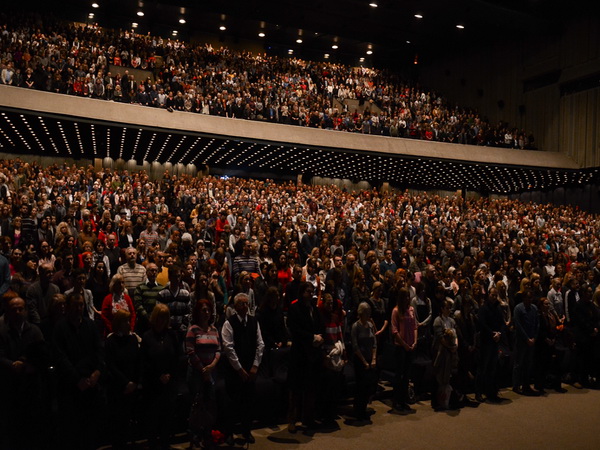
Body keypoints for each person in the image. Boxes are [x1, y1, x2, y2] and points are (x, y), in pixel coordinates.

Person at [53, 292, 104, 450]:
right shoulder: (60, 328)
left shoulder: (90, 325)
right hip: (71, 387)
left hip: (91, 385)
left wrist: (97, 373)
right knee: (72, 433)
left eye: (81, 305)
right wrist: (77, 380)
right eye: (75, 305)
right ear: (67, 307)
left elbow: (99, 352)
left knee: (90, 432)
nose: (78, 308)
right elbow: (60, 357)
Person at [0, 296, 48, 450]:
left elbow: (43, 356)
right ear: (7, 312)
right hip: (11, 388)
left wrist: (27, 364)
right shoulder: (2, 332)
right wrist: (13, 364)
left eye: (21, 309)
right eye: (14, 309)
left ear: (26, 311)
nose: (18, 312)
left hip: (32, 388)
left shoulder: (34, 331)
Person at [221, 293, 265, 445]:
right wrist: (239, 369)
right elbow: (228, 348)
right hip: (234, 371)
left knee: (248, 402)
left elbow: (260, 344)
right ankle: (229, 433)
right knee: (232, 403)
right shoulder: (229, 323)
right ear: (235, 306)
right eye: (242, 304)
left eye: (247, 304)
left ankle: (246, 431)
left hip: (250, 370)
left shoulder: (254, 321)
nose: (245, 307)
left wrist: (255, 366)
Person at [141, 303, 180, 450]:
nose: (162, 321)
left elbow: (177, 358)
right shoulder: (147, 336)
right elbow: (144, 362)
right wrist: (158, 376)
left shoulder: (172, 335)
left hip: (169, 384)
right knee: (153, 419)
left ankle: (165, 443)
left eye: (165, 318)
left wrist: (169, 374)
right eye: (160, 318)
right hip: (153, 384)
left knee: (167, 418)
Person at [287, 282, 325, 431]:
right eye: (308, 291)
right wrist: (312, 338)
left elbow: (321, 325)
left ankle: (307, 418)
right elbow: (295, 330)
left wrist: (320, 337)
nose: (311, 294)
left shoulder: (314, 309)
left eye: (313, 291)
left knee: (311, 388)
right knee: (296, 390)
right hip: (299, 353)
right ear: (302, 292)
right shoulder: (294, 308)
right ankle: (292, 420)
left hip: (313, 354)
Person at [186, 299, 221, 449]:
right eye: (203, 310)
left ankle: (207, 434)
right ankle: (195, 435)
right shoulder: (193, 329)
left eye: (208, 310)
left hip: (210, 372)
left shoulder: (214, 329)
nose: (206, 313)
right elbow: (190, 351)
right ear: (198, 313)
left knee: (209, 404)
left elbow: (219, 350)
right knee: (196, 405)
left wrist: (211, 366)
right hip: (196, 373)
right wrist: (203, 369)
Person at [105, 310, 141, 450]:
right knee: (117, 424)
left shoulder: (132, 339)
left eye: (129, 320)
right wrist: (126, 383)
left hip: (131, 387)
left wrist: (134, 382)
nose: (128, 323)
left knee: (128, 423)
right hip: (117, 388)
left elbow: (138, 362)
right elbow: (111, 365)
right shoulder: (111, 341)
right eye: (125, 321)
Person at [391, 287, 417, 412]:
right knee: (399, 375)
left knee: (407, 375)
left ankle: (403, 400)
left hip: (410, 346)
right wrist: (404, 344)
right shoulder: (396, 311)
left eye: (408, 296)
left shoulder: (411, 310)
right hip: (400, 346)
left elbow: (415, 326)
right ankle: (396, 400)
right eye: (405, 296)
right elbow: (394, 330)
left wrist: (415, 341)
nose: (408, 298)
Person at [351, 302, 378, 420]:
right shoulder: (356, 326)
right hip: (360, 360)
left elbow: (374, 343)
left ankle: (364, 407)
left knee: (368, 386)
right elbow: (355, 346)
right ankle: (358, 410)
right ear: (361, 313)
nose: (369, 315)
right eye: (367, 313)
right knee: (360, 386)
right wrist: (364, 361)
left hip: (369, 359)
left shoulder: (370, 325)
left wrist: (373, 358)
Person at [512, 289, 540, 396]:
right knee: (518, 363)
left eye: (531, 298)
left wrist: (534, 338)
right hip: (521, 340)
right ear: (523, 298)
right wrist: (527, 338)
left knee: (528, 364)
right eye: (527, 298)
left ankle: (526, 385)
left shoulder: (534, 308)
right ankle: (516, 385)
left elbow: (537, 324)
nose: (529, 300)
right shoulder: (518, 308)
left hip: (531, 340)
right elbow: (518, 325)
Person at [432, 299, 458, 410]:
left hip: (451, 351)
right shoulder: (438, 321)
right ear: (442, 309)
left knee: (449, 376)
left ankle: (447, 399)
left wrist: (455, 346)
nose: (449, 310)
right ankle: (437, 401)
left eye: (449, 308)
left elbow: (456, 335)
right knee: (439, 376)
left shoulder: (452, 321)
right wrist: (449, 347)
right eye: (447, 308)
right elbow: (440, 338)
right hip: (441, 351)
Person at [133, 263, 164, 334]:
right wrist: (148, 317)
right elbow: (138, 305)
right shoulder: (140, 287)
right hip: (143, 322)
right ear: (146, 272)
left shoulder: (161, 288)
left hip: (157, 322)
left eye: (156, 271)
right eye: (152, 270)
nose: (154, 273)